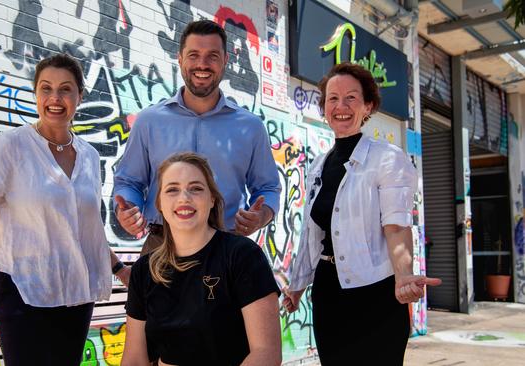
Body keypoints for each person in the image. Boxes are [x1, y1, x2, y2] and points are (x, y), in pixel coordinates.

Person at [0, 53, 129, 366]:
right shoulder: (11, 145)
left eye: (65, 89)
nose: (55, 99)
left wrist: (119, 269)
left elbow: (88, 229)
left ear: (79, 96)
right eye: (46, 89)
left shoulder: (88, 155)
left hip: (72, 288)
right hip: (21, 285)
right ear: (36, 94)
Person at [282, 63, 442, 365]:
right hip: (329, 292)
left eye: (351, 98)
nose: (341, 107)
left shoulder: (387, 158)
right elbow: (313, 234)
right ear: (324, 107)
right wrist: (297, 286)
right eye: (332, 99)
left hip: (376, 294)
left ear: (368, 105)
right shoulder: (319, 164)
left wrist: (404, 275)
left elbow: (396, 226)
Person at [113, 20, 281, 254]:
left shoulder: (251, 127)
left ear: (225, 62)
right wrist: (128, 209)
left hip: (227, 247)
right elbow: (129, 182)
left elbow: (269, 187)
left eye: (213, 56)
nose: (202, 64)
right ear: (180, 59)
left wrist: (261, 215)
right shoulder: (148, 121)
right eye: (193, 55)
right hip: (162, 245)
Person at [121, 152, 282, 365]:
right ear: (159, 203)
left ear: (212, 199)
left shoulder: (242, 256)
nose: (184, 198)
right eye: (172, 189)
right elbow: (134, 358)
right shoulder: (144, 269)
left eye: (196, 188)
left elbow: (266, 353)